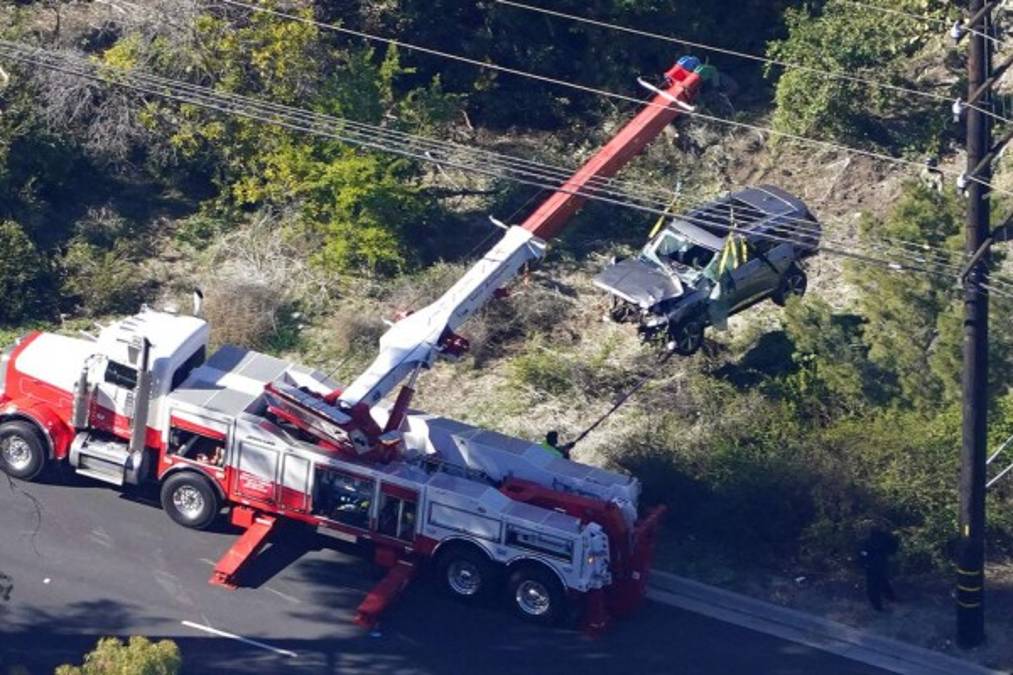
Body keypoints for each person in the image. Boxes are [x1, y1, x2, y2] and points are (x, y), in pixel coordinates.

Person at [858, 528, 899, 611]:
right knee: (881, 581)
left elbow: (862, 552)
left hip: (872, 564)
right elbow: (893, 549)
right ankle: (890, 598)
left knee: (873, 585)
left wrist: (863, 562)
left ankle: (879, 605)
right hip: (879, 563)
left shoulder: (869, 539)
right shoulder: (885, 537)